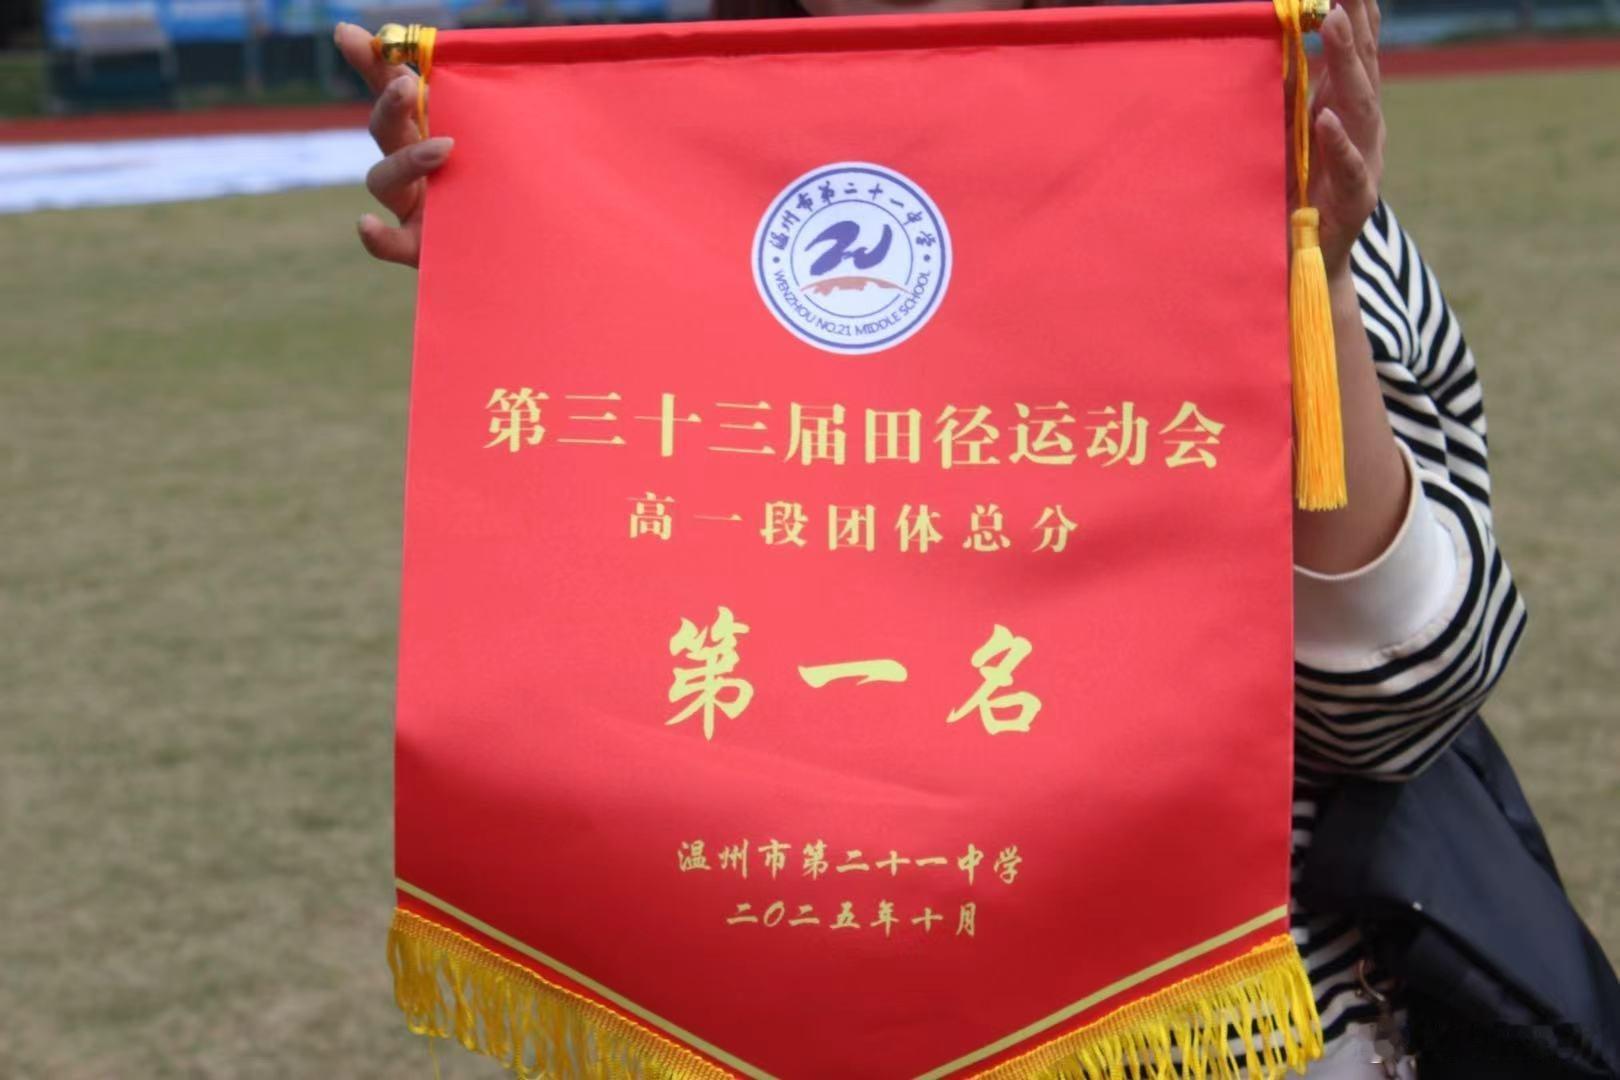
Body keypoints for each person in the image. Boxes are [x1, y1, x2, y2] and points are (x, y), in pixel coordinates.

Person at [331, 1, 1538, 1074]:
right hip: (716, 1013)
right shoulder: (636, 166)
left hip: (1190, 1030)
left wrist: (1315, 285)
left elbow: (1406, 702)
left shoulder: (1257, 150)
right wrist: (525, 262)